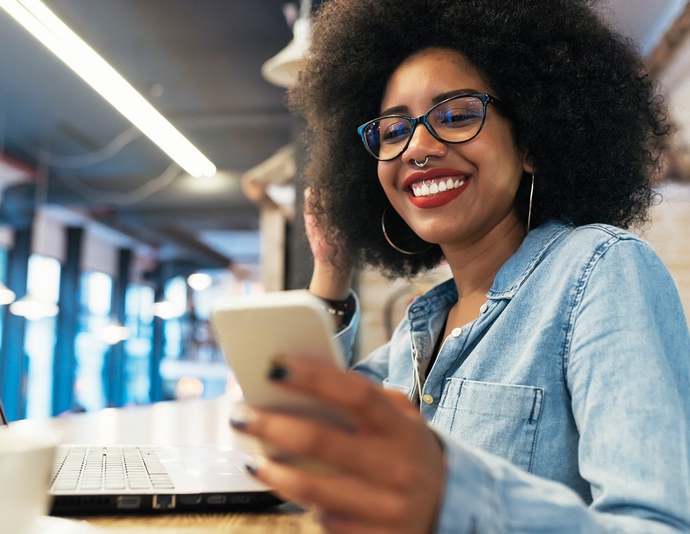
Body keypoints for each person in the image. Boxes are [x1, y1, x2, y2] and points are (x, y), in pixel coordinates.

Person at [229, 0, 690, 532]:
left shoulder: (602, 272)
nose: (418, 148)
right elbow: (312, 431)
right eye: (393, 130)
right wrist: (330, 271)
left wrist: (449, 495)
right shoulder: (418, 331)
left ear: (532, 143)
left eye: (456, 115)